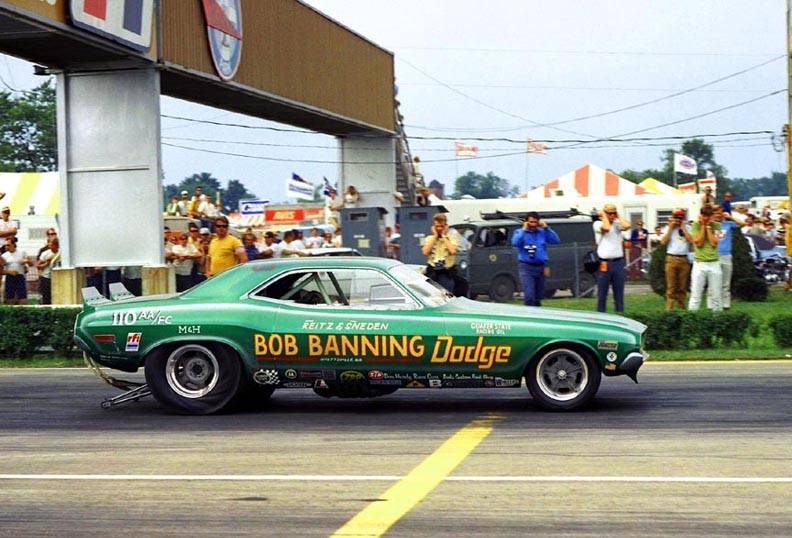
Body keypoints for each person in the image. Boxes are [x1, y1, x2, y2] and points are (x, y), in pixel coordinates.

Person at [511, 211, 560, 307]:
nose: (533, 224)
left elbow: (556, 241)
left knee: (538, 296)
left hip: (541, 267)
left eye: (535, 222)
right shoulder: (519, 232)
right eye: (531, 222)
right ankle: (529, 315)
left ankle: (538, 315)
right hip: (526, 267)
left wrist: (547, 228)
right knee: (529, 296)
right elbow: (515, 243)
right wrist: (524, 229)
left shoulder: (542, 232)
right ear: (526, 222)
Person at [593, 204, 631, 312]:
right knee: (602, 295)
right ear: (604, 213)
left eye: (614, 213)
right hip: (604, 263)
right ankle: (601, 316)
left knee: (619, 294)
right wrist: (605, 216)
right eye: (610, 213)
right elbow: (606, 228)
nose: (612, 215)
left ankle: (620, 315)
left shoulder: (617, 224)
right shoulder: (597, 223)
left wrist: (617, 215)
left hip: (618, 262)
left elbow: (627, 225)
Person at [688, 205, 722, 311]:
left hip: (714, 263)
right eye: (704, 215)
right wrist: (702, 226)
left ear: (711, 215)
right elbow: (698, 243)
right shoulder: (695, 225)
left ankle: (717, 321)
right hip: (699, 263)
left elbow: (713, 243)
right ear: (701, 215)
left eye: (708, 215)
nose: (706, 218)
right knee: (695, 295)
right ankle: (691, 321)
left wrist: (707, 227)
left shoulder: (717, 225)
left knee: (716, 296)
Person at [660, 209, 693, 310]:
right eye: (676, 217)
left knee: (682, 286)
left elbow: (691, 241)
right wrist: (670, 228)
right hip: (671, 258)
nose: (678, 220)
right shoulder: (668, 228)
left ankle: (682, 306)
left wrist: (683, 227)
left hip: (684, 259)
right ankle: (670, 308)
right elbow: (663, 241)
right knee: (671, 286)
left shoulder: (687, 227)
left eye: (680, 218)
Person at [421, 213, 458, 292]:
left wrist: (444, 236)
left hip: (446, 272)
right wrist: (435, 236)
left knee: (447, 295)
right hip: (432, 272)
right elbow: (425, 252)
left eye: (441, 226)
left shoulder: (451, 238)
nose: (439, 229)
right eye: (437, 226)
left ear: (446, 226)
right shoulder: (429, 238)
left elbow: (453, 251)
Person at [711, 206, 737, 310]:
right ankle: (712, 305)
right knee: (713, 282)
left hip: (726, 255)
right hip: (713, 255)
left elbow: (743, 224)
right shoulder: (710, 225)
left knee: (725, 282)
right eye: (716, 213)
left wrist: (731, 217)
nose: (718, 215)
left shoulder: (728, 224)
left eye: (720, 212)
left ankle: (726, 305)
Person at [2, 237, 31, 305]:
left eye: (8, 245)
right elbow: (1, 270)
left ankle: (23, 311)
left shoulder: (22, 252)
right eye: (5, 245)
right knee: (9, 297)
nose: (6, 247)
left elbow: (31, 264)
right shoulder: (4, 256)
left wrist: (26, 261)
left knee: (22, 296)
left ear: (13, 244)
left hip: (20, 276)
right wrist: (9, 272)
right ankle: (10, 312)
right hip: (9, 277)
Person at [36, 237, 60, 305]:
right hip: (46, 278)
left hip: (58, 278)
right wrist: (47, 263)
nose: (49, 245)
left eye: (51, 243)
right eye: (49, 243)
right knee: (46, 297)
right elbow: (38, 266)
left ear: (56, 245)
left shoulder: (60, 253)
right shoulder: (45, 253)